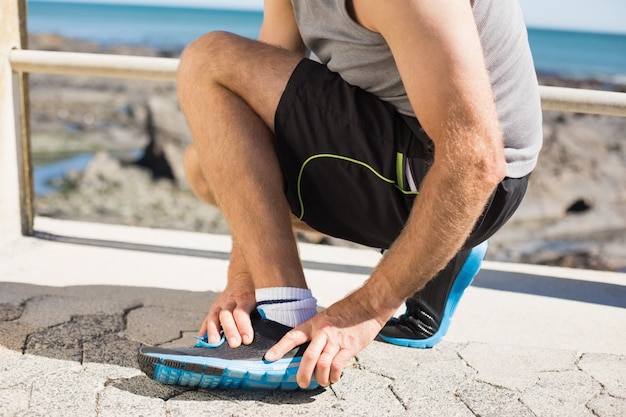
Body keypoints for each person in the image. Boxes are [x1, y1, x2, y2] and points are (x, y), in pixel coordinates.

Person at [138, 0, 542, 390]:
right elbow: (252, 123)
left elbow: (476, 162)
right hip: (429, 175)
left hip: (464, 180)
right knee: (205, 166)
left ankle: (281, 322)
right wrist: (247, 281)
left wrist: (365, 311)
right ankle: (443, 247)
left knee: (210, 57)